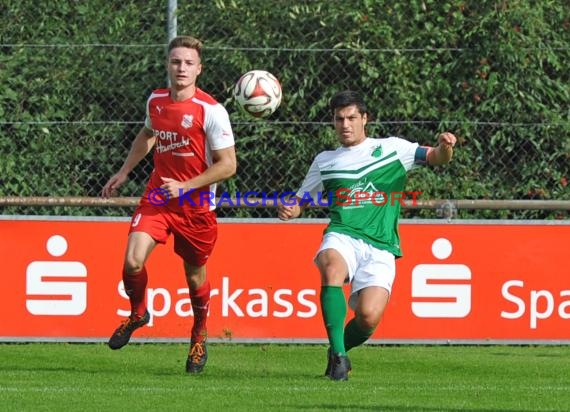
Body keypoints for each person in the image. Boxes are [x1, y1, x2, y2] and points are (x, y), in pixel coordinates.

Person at [277, 90, 456, 381]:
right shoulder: (325, 160)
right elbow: (300, 201)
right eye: (338, 119)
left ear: (364, 119)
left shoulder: (393, 149)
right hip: (342, 234)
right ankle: (338, 358)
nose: (344, 125)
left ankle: (339, 348)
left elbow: (437, 158)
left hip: (381, 245)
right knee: (330, 266)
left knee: (368, 316)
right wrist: (290, 208)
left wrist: (445, 147)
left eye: (351, 118)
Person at [101, 35, 236, 374]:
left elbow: (228, 165)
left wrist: (187, 186)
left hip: (197, 206)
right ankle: (137, 312)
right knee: (132, 261)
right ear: (168, 65)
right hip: (159, 196)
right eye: (176, 62)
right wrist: (123, 172)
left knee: (194, 278)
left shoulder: (212, 111)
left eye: (189, 63)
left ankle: (199, 335)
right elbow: (147, 135)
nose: (182, 68)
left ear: (199, 69)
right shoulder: (156, 101)